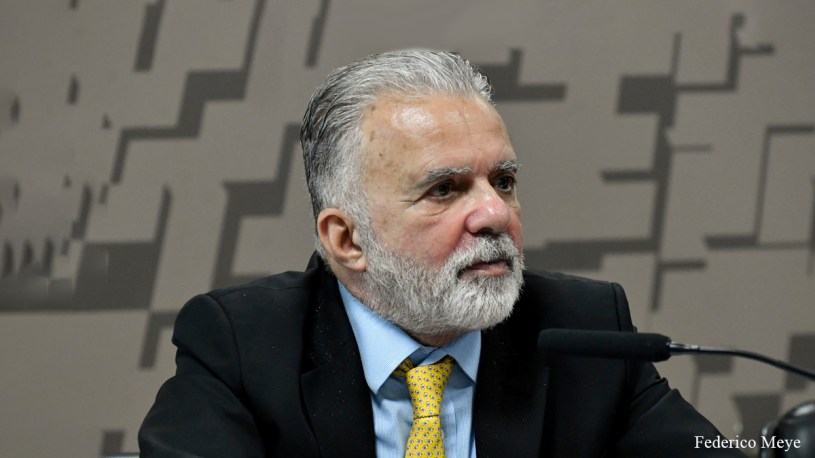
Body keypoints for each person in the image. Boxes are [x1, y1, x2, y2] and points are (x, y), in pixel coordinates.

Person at [139, 50, 744, 457]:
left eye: (503, 181)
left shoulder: (582, 331)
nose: (495, 214)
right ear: (347, 240)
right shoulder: (244, 346)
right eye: (444, 190)